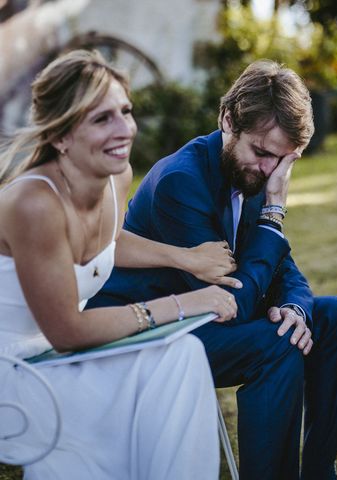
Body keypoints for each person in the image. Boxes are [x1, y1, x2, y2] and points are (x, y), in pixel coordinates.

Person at [89, 60, 337, 479]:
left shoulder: (251, 172)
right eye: (263, 153)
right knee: (277, 344)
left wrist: (296, 309)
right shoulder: (181, 181)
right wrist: (272, 214)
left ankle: (321, 470)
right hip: (157, 331)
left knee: (336, 316)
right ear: (227, 120)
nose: (271, 172)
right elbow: (230, 305)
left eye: (282, 162)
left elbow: (284, 268)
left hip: (206, 317)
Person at [0, 49, 242, 479]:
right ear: (61, 136)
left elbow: (105, 242)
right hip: (14, 373)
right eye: (101, 119)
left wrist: (184, 258)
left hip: (54, 355)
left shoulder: (115, 177)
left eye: (125, 111)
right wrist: (185, 304)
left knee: (181, 355)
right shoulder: (33, 203)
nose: (124, 129)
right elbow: (68, 331)